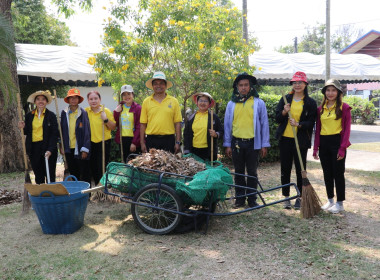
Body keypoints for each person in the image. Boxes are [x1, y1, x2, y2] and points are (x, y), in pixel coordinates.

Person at [223, 72, 270, 208]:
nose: (243, 88)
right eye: (241, 85)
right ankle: (240, 199)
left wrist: (264, 144)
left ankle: (252, 199)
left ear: (250, 86)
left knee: (252, 172)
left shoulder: (258, 103)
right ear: (237, 87)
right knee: (238, 172)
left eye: (246, 85)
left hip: (253, 143)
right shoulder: (231, 104)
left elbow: (264, 124)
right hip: (236, 143)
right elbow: (227, 125)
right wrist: (227, 144)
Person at [275, 71, 317, 210]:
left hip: (300, 140)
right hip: (285, 139)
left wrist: (299, 124)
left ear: (305, 84)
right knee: (285, 168)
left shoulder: (310, 102)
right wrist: (284, 112)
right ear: (292, 84)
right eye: (295, 82)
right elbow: (277, 118)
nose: (297, 85)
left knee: (301, 169)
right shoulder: (286, 99)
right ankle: (286, 197)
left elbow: (311, 122)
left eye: (300, 82)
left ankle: (300, 196)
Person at [313, 79, 351, 214]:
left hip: (337, 142)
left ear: (338, 92)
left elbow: (347, 130)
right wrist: (316, 147)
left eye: (333, 90)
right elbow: (318, 129)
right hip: (324, 143)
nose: (330, 93)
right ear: (324, 92)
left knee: (338, 173)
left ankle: (340, 203)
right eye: (328, 90)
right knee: (327, 173)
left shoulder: (344, 108)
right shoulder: (320, 109)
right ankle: (330, 200)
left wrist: (342, 148)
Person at [18, 90, 58, 184]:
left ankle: (51, 195)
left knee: (50, 175)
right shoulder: (29, 116)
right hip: (34, 148)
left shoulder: (51, 116)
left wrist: (50, 149)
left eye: (43, 99)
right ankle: (42, 196)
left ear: (46, 102)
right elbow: (27, 131)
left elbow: (54, 134)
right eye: (38, 99)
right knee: (38, 175)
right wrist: (22, 127)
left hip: (48, 147)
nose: (41, 101)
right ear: (35, 102)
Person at [140, 71, 182, 154]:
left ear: (165, 85)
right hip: (151, 140)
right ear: (152, 86)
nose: (158, 86)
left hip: (169, 140)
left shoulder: (174, 101)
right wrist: (142, 143)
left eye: (161, 83)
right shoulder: (146, 101)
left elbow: (177, 123)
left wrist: (177, 142)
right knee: (151, 165)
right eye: (155, 83)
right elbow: (143, 124)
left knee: (168, 165)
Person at [60, 88, 91, 184]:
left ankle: (86, 195)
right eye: (71, 98)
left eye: (75, 98)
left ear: (79, 99)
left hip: (80, 147)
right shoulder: (64, 113)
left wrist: (85, 148)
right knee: (73, 172)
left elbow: (87, 131)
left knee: (84, 172)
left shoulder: (83, 113)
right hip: (69, 148)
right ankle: (76, 193)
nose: (73, 100)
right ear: (68, 100)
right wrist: (61, 146)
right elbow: (61, 131)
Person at [85, 91, 116, 185]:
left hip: (104, 143)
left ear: (100, 99)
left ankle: (103, 189)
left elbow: (113, 127)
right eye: (91, 99)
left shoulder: (105, 111)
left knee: (102, 166)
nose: (93, 101)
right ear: (88, 100)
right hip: (91, 143)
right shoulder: (86, 111)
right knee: (93, 167)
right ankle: (97, 189)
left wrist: (105, 119)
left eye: (96, 98)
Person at [183, 92, 223, 161]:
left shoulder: (213, 117)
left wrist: (216, 134)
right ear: (197, 102)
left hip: (209, 151)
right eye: (201, 100)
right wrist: (187, 150)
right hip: (194, 150)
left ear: (209, 103)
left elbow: (221, 131)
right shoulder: (191, 117)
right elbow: (186, 134)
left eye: (205, 101)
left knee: (209, 171)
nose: (203, 103)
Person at [114, 85, 141, 162]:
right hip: (122, 139)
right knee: (125, 162)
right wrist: (116, 112)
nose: (126, 97)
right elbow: (115, 123)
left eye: (128, 94)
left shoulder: (138, 108)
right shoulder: (120, 107)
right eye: (124, 95)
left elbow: (139, 126)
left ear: (133, 94)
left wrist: (134, 142)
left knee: (134, 163)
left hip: (133, 139)